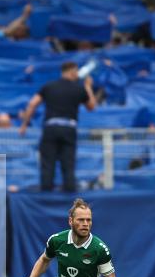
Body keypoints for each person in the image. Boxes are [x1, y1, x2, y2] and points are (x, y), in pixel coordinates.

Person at [19, 61, 97, 192]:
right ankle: (70, 201)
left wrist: (24, 125)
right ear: (72, 71)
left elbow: (32, 104)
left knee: (47, 165)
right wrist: (88, 86)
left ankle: (45, 199)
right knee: (68, 165)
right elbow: (91, 106)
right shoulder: (79, 88)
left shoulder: (49, 86)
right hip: (69, 129)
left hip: (50, 128)